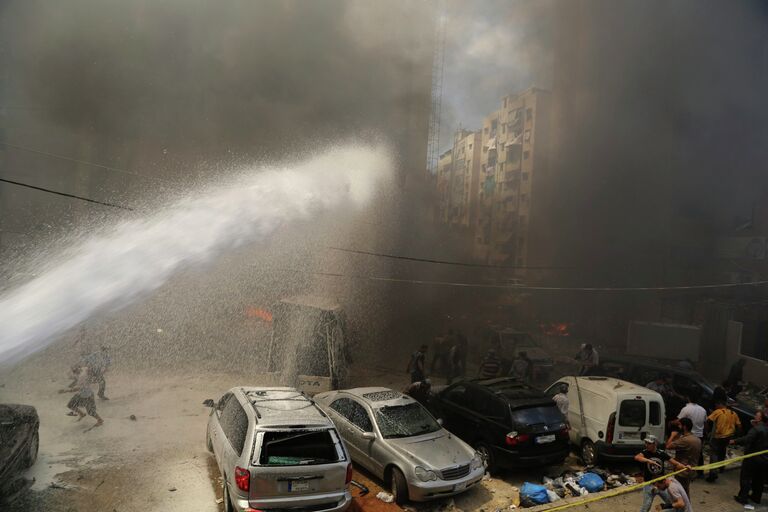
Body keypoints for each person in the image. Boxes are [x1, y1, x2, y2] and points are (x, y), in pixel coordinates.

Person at [635, 435, 688, 512]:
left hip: (661, 484)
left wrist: (685, 467)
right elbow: (637, 457)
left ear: (655, 444)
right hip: (649, 484)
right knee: (646, 506)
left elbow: (675, 463)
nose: (646, 445)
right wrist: (649, 461)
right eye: (646, 443)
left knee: (671, 503)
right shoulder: (645, 452)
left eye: (649, 443)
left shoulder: (661, 453)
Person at [730, 410, 768, 505]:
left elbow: (747, 439)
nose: (755, 416)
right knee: (759, 479)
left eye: (756, 415)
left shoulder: (756, 429)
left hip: (752, 458)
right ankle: (756, 497)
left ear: (760, 418)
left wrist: (734, 441)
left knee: (746, 477)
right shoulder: (766, 429)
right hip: (764, 459)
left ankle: (743, 497)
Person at [704, 401, 741, 482]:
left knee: (714, 453)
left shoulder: (718, 412)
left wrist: (707, 431)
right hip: (728, 437)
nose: (715, 406)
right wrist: (735, 435)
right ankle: (721, 468)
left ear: (719, 404)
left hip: (718, 437)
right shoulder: (733, 413)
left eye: (716, 404)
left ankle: (713, 474)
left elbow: (708, 421)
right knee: (722, 451)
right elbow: (739, 426)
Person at [666, 417, 701, 498]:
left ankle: (684, 508)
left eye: (679, 425)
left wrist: (672, 435)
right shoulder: (697, 439)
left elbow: (668, 446)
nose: (678, 427)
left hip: (682, 471)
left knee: (681, 493)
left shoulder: (685, 440)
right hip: (691, 469)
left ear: (684, 427)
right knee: (685, 490)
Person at [675, 393, 706, 472]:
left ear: (688, 398)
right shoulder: (703, 409)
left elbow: (679, 421)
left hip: (689, 434)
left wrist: (671, 423)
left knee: (684, 453)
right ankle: (699, 471)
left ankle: (684, 470)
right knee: (698, 453)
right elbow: (705, 423)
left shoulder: (686, 409)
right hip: (699, 435)